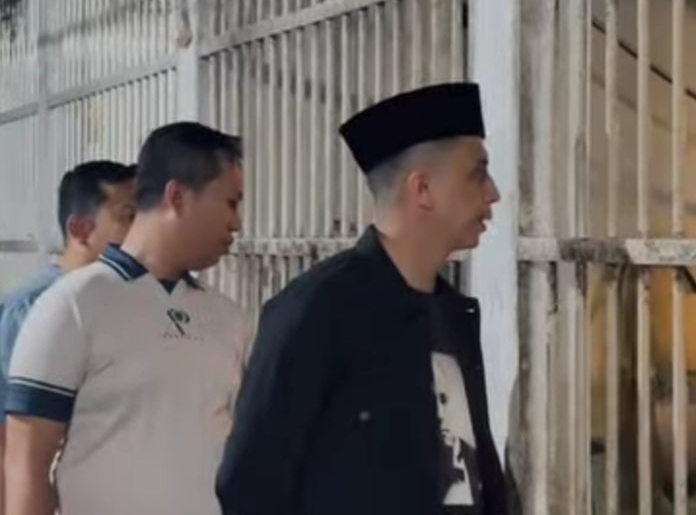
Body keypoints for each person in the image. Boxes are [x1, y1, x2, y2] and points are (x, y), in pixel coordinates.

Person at [216, 83, 508, 515]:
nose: (493, 193)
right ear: (422, 189)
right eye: (477, 174)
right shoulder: (316, 311)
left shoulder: (453, 314)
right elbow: (249, 486)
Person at [5, 122, 251, 515]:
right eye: (230, 203)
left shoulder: (228, 319)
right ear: (176, 196)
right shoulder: (71, 306)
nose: (236, 223)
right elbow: (25, 465)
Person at [0, 160, 136, 512]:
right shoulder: (28, 312)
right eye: (128, 217)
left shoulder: (137, 302)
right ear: (81, 229)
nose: (142, 231)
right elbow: (10, 445)